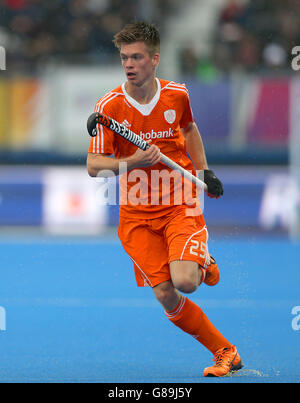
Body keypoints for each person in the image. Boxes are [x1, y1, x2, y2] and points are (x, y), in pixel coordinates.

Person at [87, 21, 243, 377]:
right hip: (136, 216)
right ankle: (226, 352)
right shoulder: (109, 106)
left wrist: (204, 171)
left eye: (137, 57)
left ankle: (199, 260)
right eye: (124, 57)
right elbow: (94, 166)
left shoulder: (177, 95)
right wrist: (133, 162)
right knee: (165, 295)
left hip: (179, 204)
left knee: (186, 281)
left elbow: (189, 129)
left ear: (154, 59)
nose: (129, 64)